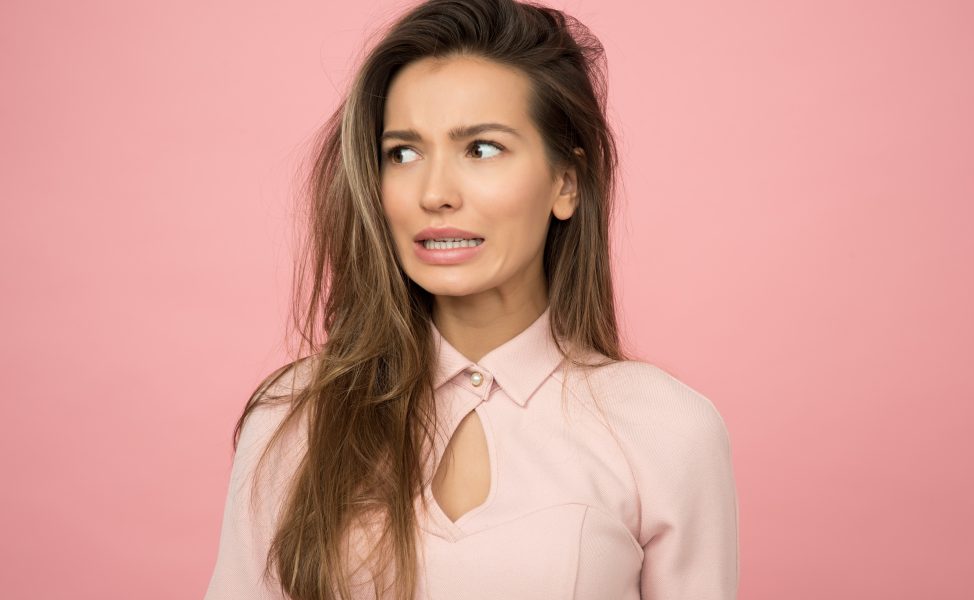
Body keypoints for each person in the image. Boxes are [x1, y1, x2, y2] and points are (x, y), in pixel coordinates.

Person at [204, 0, 739, 598]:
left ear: (567, 182)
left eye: (481, 148)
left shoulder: (666, 429)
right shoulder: (294, 417)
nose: (434, 193)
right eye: (403, 153)